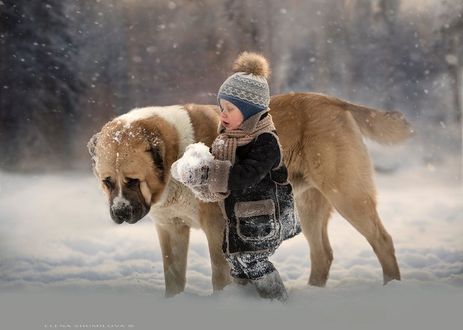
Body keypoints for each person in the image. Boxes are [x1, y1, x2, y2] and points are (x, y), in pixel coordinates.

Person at [172, 52, 301, 302]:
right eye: (221, 108)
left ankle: (277, 301)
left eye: (230, 109)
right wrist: (193, 167)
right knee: (235, 259)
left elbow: (246, 175)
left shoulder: (266, 141)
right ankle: (245, 304)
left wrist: (212, 174)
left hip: (265, 217)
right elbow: (214, 162)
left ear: (251, 111)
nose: (222, 114)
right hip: (240, 217)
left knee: (252, 259)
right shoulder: (228, 139)